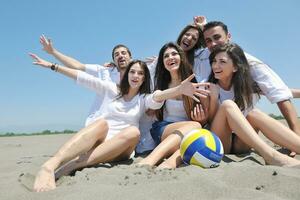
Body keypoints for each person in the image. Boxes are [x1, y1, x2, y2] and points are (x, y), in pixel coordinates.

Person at [29, 53, 206, 192]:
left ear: (144, 78)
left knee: (133, 132)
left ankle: (74, 165)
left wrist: (179, 90)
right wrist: (53, 66)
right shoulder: (111, 89)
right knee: (101, 124)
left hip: (121, 148)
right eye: (132, 71)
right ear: (126, 74)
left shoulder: (143, 99)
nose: (136, 75)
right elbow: (81, 77)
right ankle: (49, 166)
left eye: (140, 73)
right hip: (100, 141)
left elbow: (158, 96)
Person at [194, 20, 300, 156]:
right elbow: (184, 54)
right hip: (220, 140)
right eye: (208, 40)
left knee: (254, 113)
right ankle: (271, 155)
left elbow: (280, 93)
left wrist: (295, 133)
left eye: (217, 37)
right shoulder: (207, 73)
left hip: (243, 139)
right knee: (227, 105)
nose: (212, 43)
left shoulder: (252, 67)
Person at [39, 35, 156, 154]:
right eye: (116, 54)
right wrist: (53, 52)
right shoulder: (105, 71)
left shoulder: (140, 73)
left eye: (123, 53)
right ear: (114, 60)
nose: (120, 55)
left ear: (131, 57)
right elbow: (78, 67)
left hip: (132, 125)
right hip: (104, 122)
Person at [138, 42, 210, 169]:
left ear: (181, 57)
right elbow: (152, 99)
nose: (170, 57)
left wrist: (202, 118)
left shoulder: (196, 82)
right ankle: (151, 159)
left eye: (174, 54)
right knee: (195, 126)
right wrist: (179, 90)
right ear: (162, 62)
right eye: (166, 56)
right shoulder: (159, 84)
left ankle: (169, 163)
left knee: (193, 139)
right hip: (164, 128)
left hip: (189, 132)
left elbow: (205, 115)